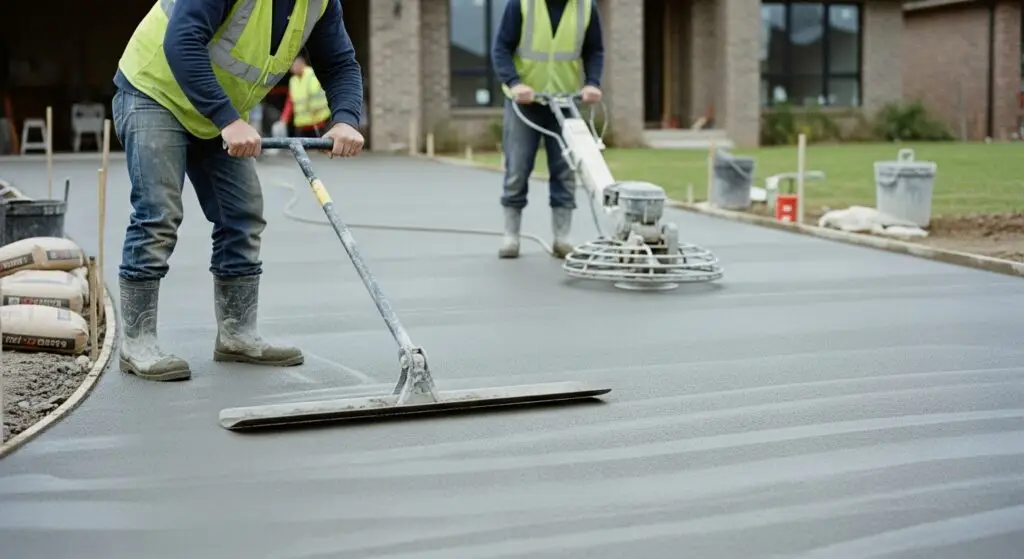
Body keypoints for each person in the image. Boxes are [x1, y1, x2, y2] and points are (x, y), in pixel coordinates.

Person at [111, 0, 365, 382]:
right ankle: (138, 341)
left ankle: (237, 334)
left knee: (242, 215)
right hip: (155, 91)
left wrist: (345, 118)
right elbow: (181, 40)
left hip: (217, 107)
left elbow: (340, 63)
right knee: (157, 214)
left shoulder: (320, 3)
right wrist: (227, 120)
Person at [491, 0, 604, 259]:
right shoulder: (522, 4)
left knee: (565, 171)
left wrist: (593, 82)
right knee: (517, 170)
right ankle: (511, 235)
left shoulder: (585, 7)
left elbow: (594, 50)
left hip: (565, 102)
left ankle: (562, 238)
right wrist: (514, 82)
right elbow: (501, 48)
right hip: (525, 102)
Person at [278, 54, 332, 138]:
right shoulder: (293, 80)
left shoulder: (314, 74)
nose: (292, 68)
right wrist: (284, 119)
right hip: (302, 126)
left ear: (302, 64)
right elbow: (290, 101)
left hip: (319, 123)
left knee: (321, 150)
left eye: (294, 65)